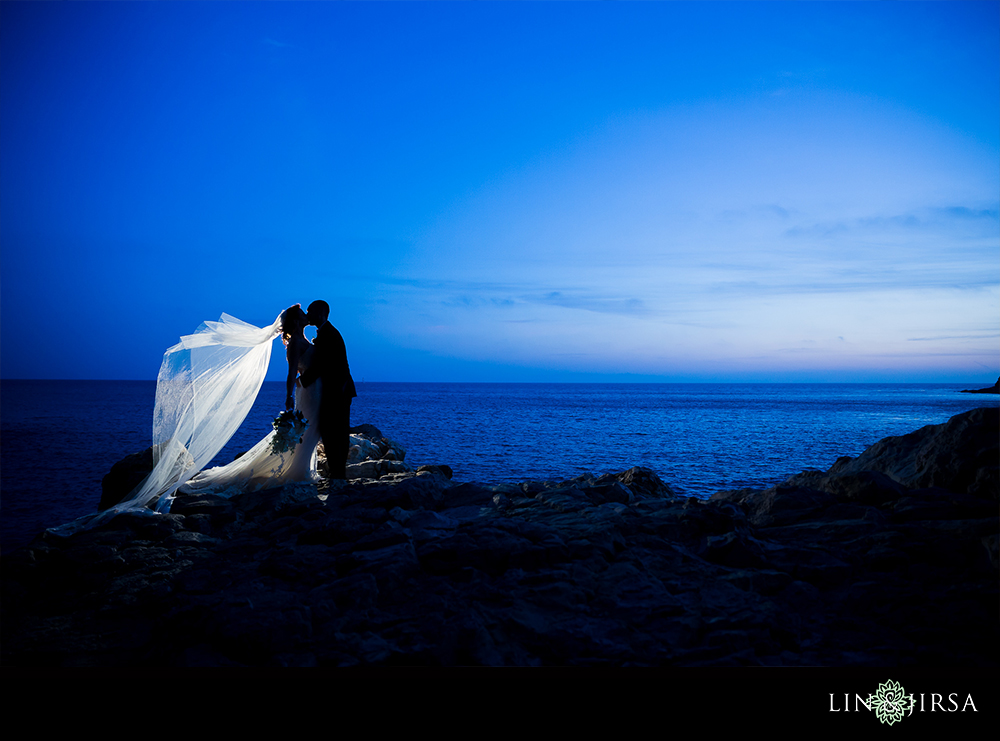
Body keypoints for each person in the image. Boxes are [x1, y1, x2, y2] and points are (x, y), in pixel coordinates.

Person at [179, 304, 323, 495]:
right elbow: (291, 374)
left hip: (314, 390)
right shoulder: (295, 344)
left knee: (311, 430)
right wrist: (288, 396)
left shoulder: (304, 340)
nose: (306, 315)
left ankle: (302, 469)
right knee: (308, 430)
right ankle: (299, 472)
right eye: (302, 314)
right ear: (296, 321)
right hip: (307, 392)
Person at [299, 300, 356, 480]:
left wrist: (302, 381)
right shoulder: (326, 332)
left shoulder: (328, 334)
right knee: (334, 431)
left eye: (311, 312)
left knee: (333, 431)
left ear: (321, 313)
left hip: (338, 390)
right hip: (336, 390)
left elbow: (322, 365)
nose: (308, 316)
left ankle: (338, 472)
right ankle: (337, 471)